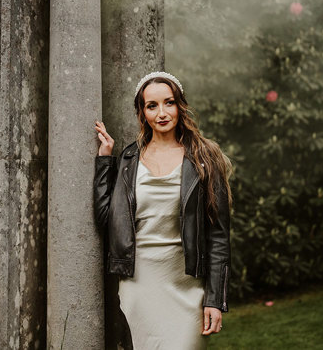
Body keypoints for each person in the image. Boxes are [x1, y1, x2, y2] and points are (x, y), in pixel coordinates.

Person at [93, 71, 233, 349]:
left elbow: (218, 237)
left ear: (180, 105)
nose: (162, 112)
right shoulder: (129, 160)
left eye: (169, 103)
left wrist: (215, 300)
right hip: (140, 283)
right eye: (152, 105)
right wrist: (105, 162)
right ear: (142, 112)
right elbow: (107, 219)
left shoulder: (204, 157)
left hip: (186, 284)